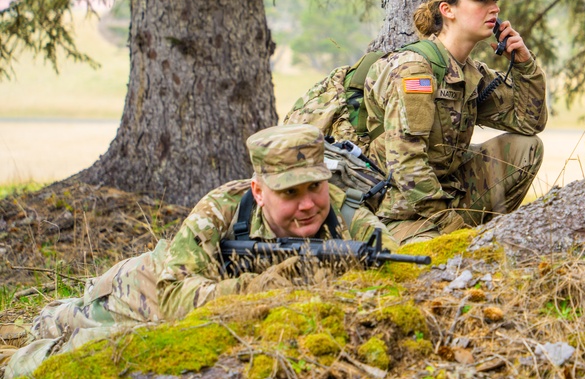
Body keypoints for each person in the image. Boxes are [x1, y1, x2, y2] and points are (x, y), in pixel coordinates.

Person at [3, 124, 397, 378]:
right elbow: (173, 295)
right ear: (259, 192)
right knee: (57, 327)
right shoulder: (223, 208)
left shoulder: (348, 213)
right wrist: (257, 289)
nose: (308, 204)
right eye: (290, 193)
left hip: (196, 302)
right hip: (143, 289)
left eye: (315, 186)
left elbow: (397, 262)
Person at [364, 0, 548, 244]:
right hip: (403, 213)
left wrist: (525, 65)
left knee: (527, 148)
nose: (495, 8)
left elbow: (529, 123)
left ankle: (484, 237)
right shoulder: (415, 71)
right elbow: (406, 165)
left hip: (450, 197)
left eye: (495, 0)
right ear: (447, 10)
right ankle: (468, 240)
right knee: (434, 262)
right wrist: (454, 228)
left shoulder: (470, 72)